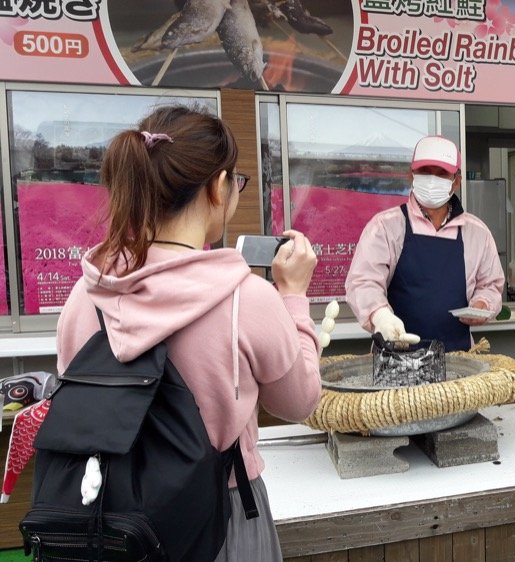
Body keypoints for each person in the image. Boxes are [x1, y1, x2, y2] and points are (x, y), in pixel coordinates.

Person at [55, 106, 321, 562]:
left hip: (111, 518)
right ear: (218, 187)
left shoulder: (86, 295)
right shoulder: (246, 298)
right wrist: (293, 296)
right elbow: (299, 402)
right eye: (237, 183)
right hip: (223, 516)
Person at [345, 135, 505, 352]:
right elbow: (363, 282)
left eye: (441, 174)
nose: (432, 179)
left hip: (458, 361)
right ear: (411, 176)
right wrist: (380, 316)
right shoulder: (385, 227)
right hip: (395, 361)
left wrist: (483, 304)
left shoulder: (477, 232)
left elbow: (490, 285)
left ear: (456, 181)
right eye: (425, 172)